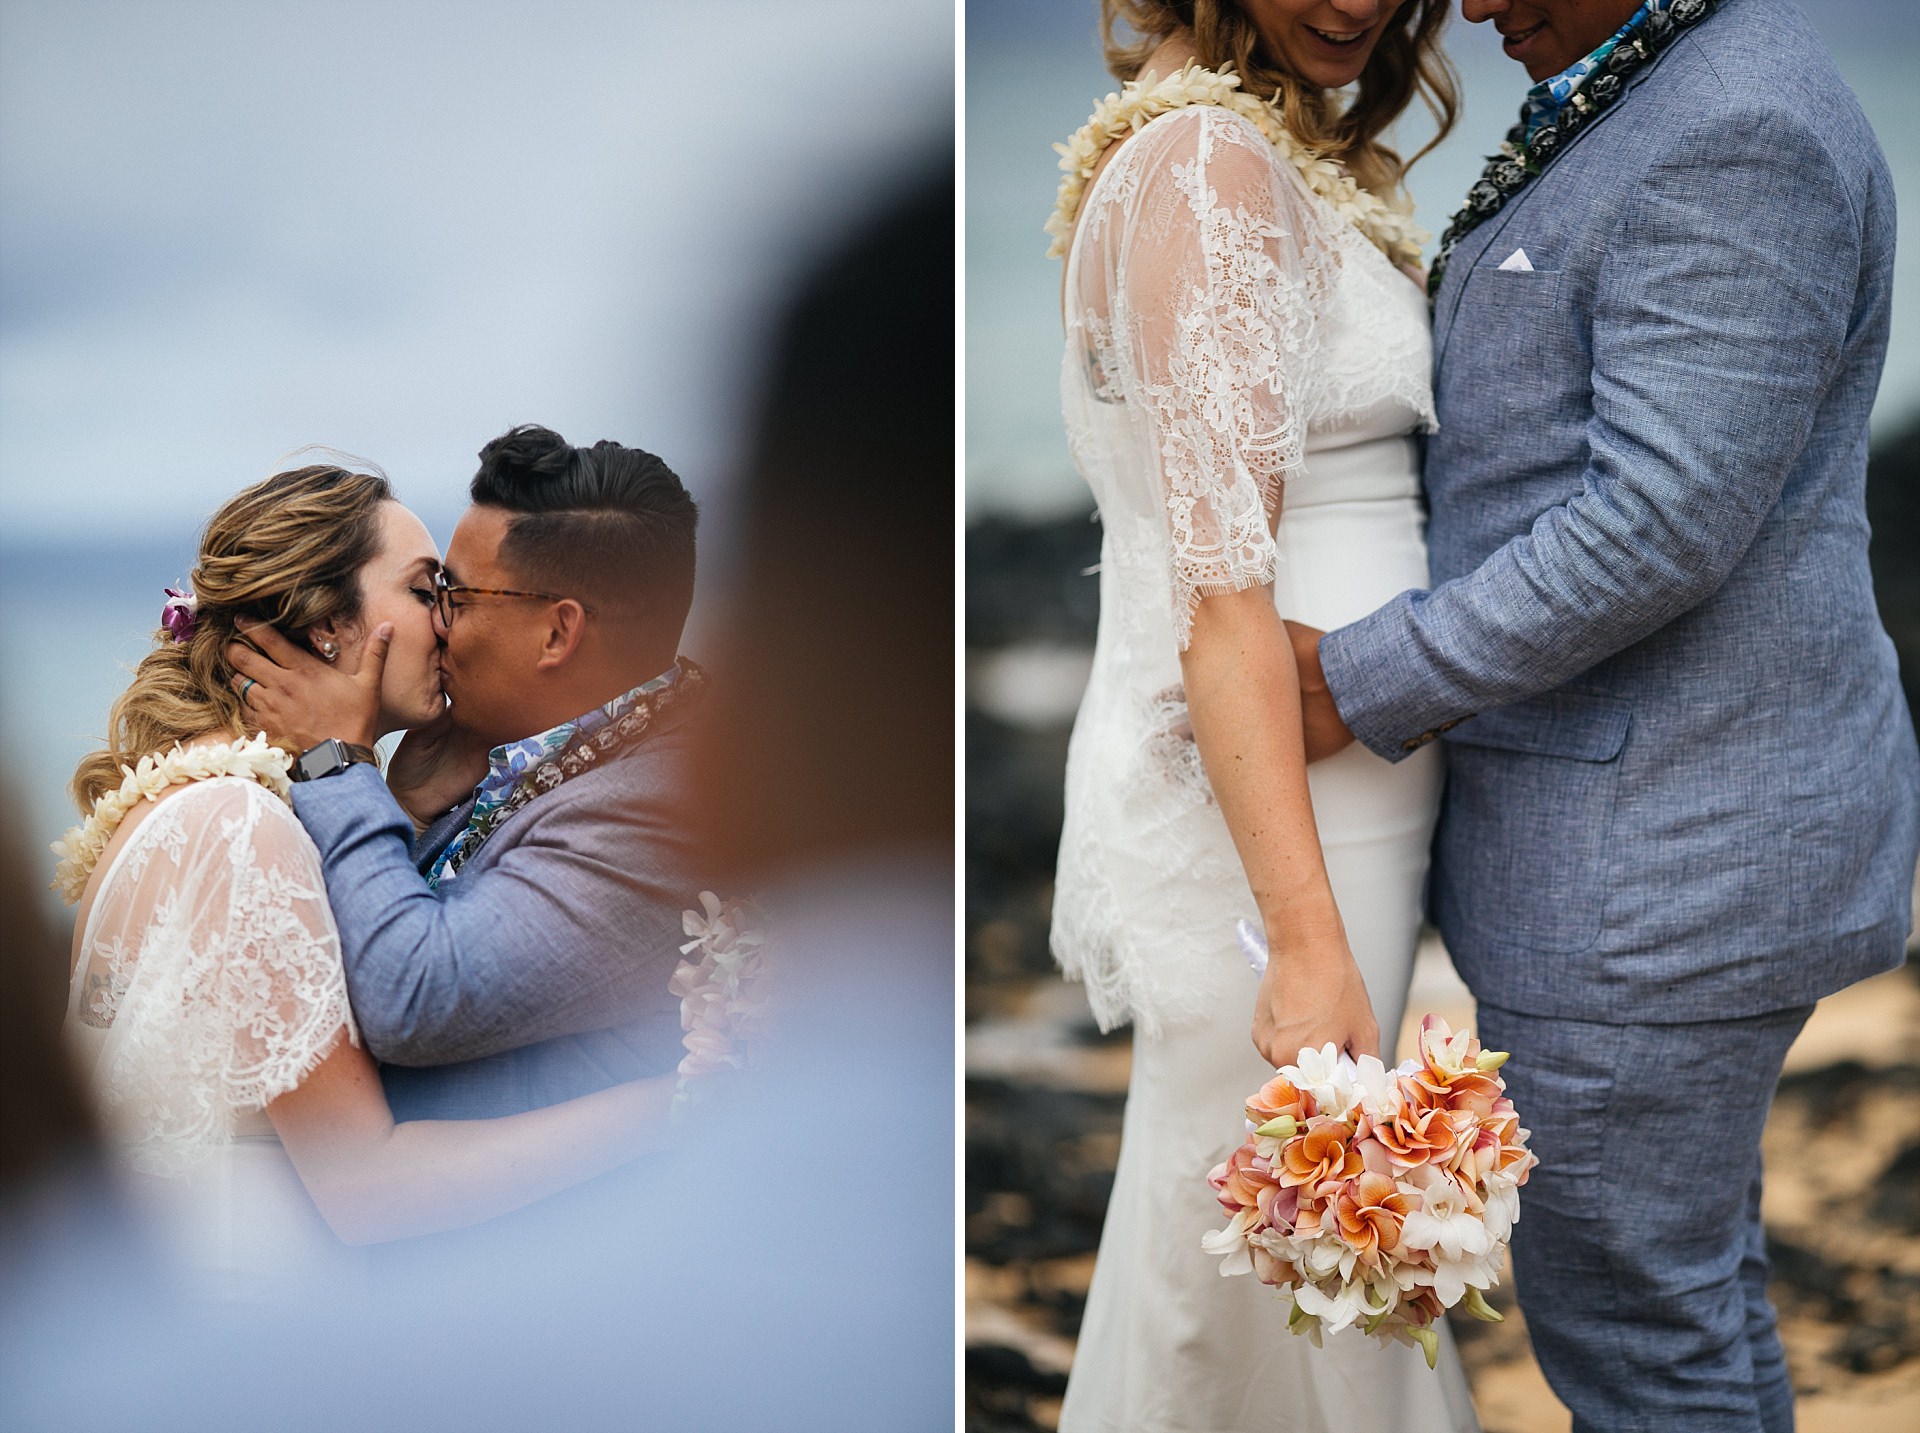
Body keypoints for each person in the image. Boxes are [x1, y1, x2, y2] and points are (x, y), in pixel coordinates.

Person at [1286, 0, 1920, 1428]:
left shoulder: (1733, 123)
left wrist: (1358, 676)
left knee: (1640, 1335)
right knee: (1687, 1301)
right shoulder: (1676, 80)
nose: (1471, 5)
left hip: (1660, 867)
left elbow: (1658, 520)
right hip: (1672, 830)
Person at [1046, 1, 1479, 1427]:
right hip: (1283, 807)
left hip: (1329, 781)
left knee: (1291, 1242)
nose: (1361, 1)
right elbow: (1223, 596)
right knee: (1284, 1238)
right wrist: (1302, 940)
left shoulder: (1235, 148)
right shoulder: (1206, 169)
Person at [56, 464, 676, 1296]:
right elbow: (367, 1183)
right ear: (327, 629)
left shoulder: (188, 798)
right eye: (428, 591)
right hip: (254, 1302)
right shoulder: (244, 825)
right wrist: (665, 1108)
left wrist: (393, 807)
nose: (449, 625)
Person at [227, 426, 706, 1142]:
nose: (438, 624)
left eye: (454, 593)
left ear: (556, 634)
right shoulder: (542, 752)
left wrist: (337, 759)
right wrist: (407, 810)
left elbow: (411, 995)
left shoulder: (664, 813)